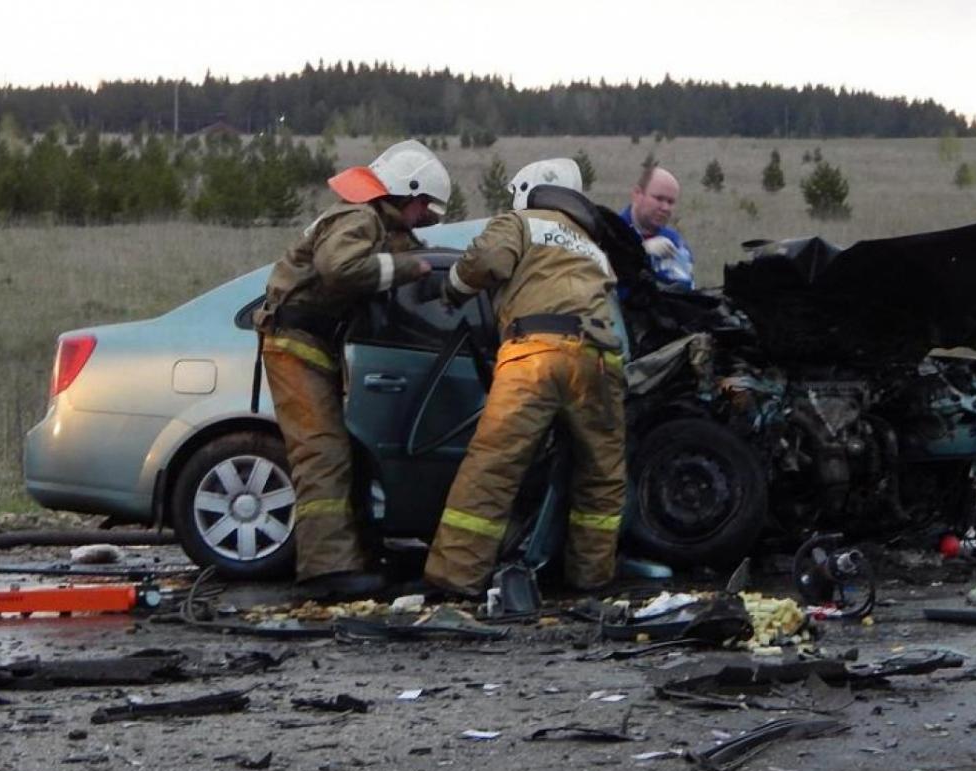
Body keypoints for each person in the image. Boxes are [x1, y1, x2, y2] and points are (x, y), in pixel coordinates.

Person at [421, 158, 627, 599]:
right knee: (602, 475)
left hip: (536, 351)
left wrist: (453, 289)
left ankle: (455, 578)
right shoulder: (591, 244)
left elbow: (487, 260)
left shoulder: (522, 222)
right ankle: (591, 581)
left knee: (493, 466)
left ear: (527, 189)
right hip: (600, 360)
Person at [255, 139, 450, 600]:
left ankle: (357, 556)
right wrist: (406, 269)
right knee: (322, 454)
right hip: (295, 342)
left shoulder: (374, 222)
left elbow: (412, 254)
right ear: (407, 191)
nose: (425, 216)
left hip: (315, 345)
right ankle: (326, 573)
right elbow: (339, 268)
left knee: (341, 455)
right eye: (423, 206)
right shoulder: (358, 217)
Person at [619, 166, 695, 289]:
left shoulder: (676, 243)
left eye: (670, 202)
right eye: (658, 198)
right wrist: (641, 251)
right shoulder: (610, 232)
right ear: (637, 194)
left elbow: (686, 292)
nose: (665, 208)